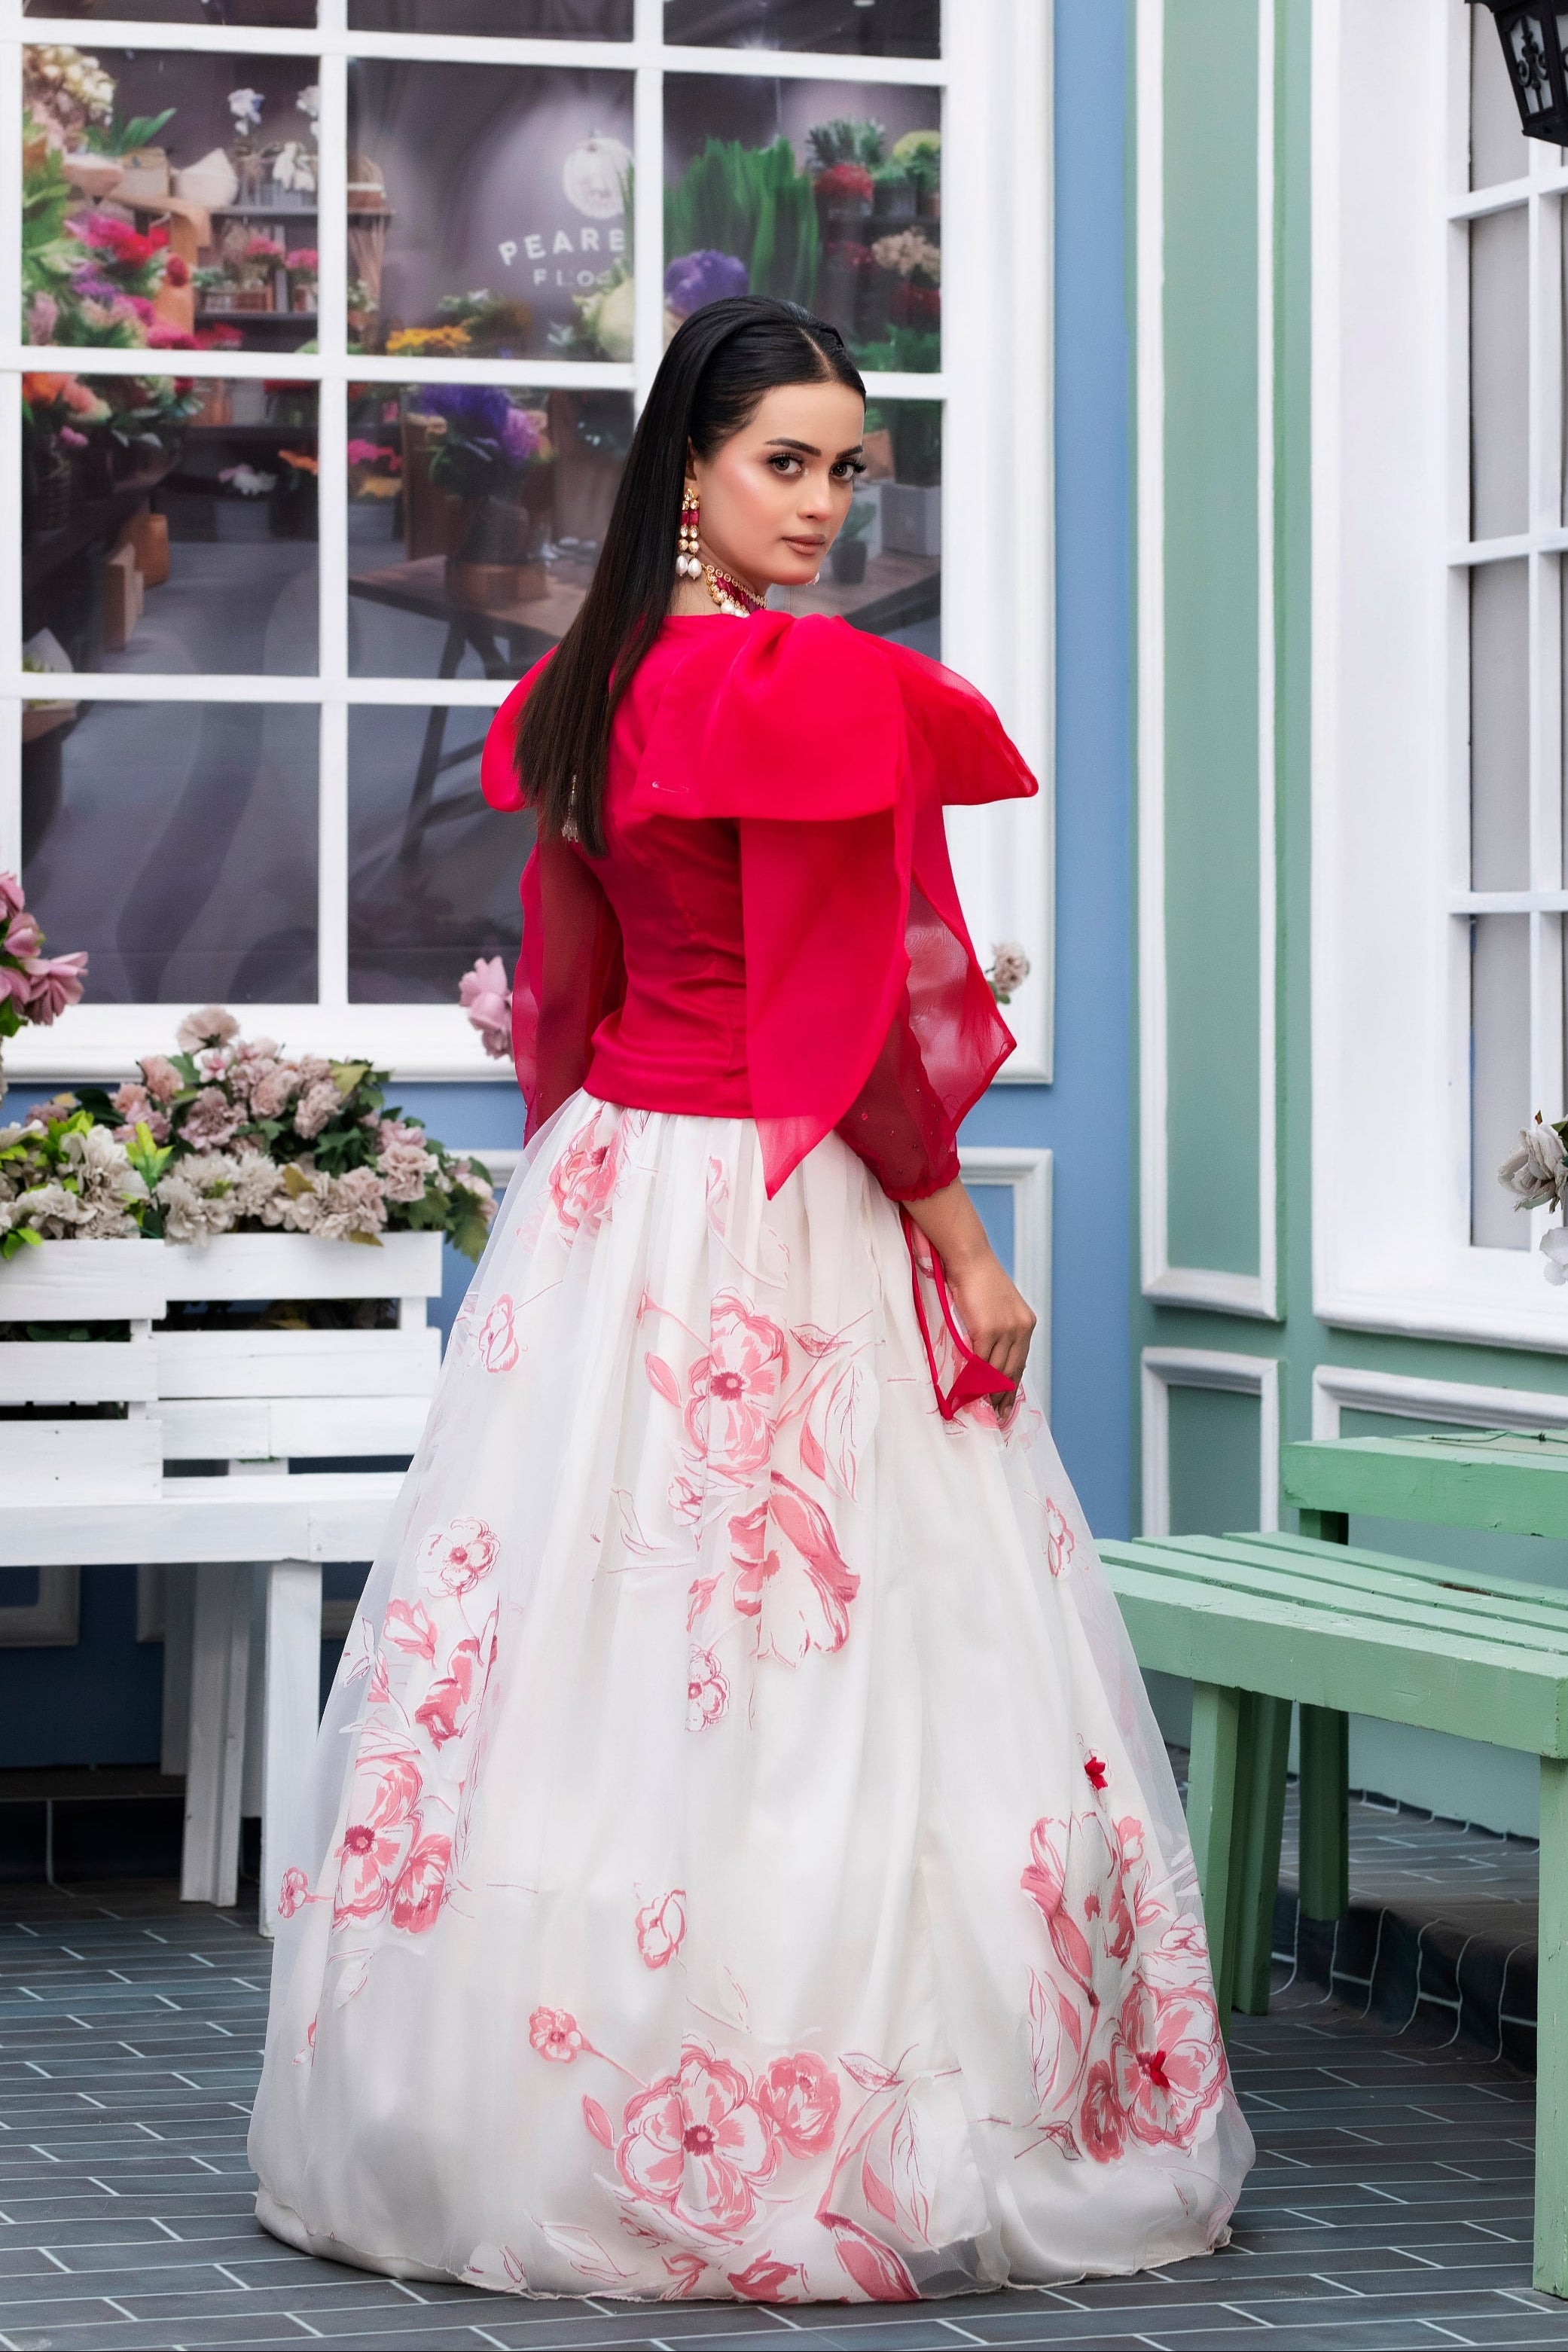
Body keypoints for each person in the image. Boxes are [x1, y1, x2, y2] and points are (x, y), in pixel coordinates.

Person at [249, 295, 1253, 2304]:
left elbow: (569, 987)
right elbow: (868, 1023)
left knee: (610, 1660)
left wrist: (594, 1175)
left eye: (845, 468)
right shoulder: (808, 688)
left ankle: (535, 2097)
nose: (820, 501)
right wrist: (962, 1244)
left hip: (623, 1197)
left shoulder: (588, 687)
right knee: (815, 1651)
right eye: (782, 461)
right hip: (780, 1193)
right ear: (686, 475)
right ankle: (846, 2112)